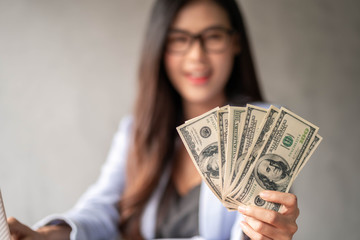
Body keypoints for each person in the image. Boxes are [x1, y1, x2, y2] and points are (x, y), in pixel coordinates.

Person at [8, 0, 300, 239]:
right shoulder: (137, 132)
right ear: (160, 48)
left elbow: (248, 231)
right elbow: (101, 208)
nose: (197, 55)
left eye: (213, 37)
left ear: (235, 43)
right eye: (179, 39)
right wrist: (47, 235)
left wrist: (264, 233)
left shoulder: (264, 128)